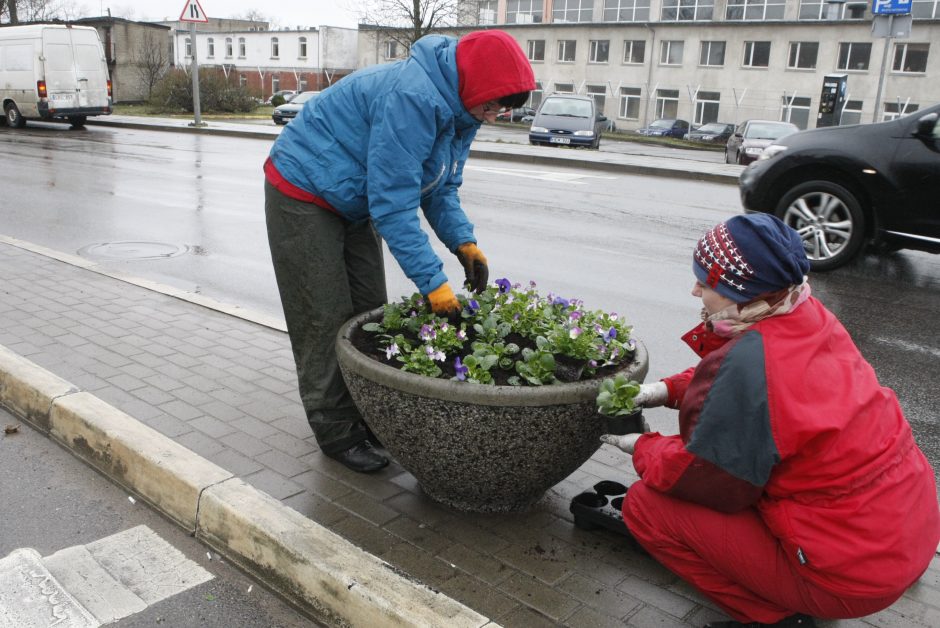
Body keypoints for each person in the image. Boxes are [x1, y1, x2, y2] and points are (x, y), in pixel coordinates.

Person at [601, 214, 940, 628]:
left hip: (846, 577)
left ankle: (775, 617)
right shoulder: (804, 313)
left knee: (645, 507)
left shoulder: (752, 363)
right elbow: (757, 383)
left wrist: (642, 446)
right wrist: (667, 389)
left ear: (740, 294)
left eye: (706, 284)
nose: (694, 291)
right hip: (904, 536)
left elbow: (704, 479)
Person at [264, 31, 535, 473]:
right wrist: (434, 283)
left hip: (352, 197)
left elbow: (440, 187)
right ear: (476, 86)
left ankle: (367, 415)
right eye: (494, 104)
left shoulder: (462, 111)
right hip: (303, 190)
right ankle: (336, 431)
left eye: (504, 107)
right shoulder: (412, 98)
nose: (496, 114)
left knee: (369, 312)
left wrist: (464, 244)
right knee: (324, 317)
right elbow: (393, 205)